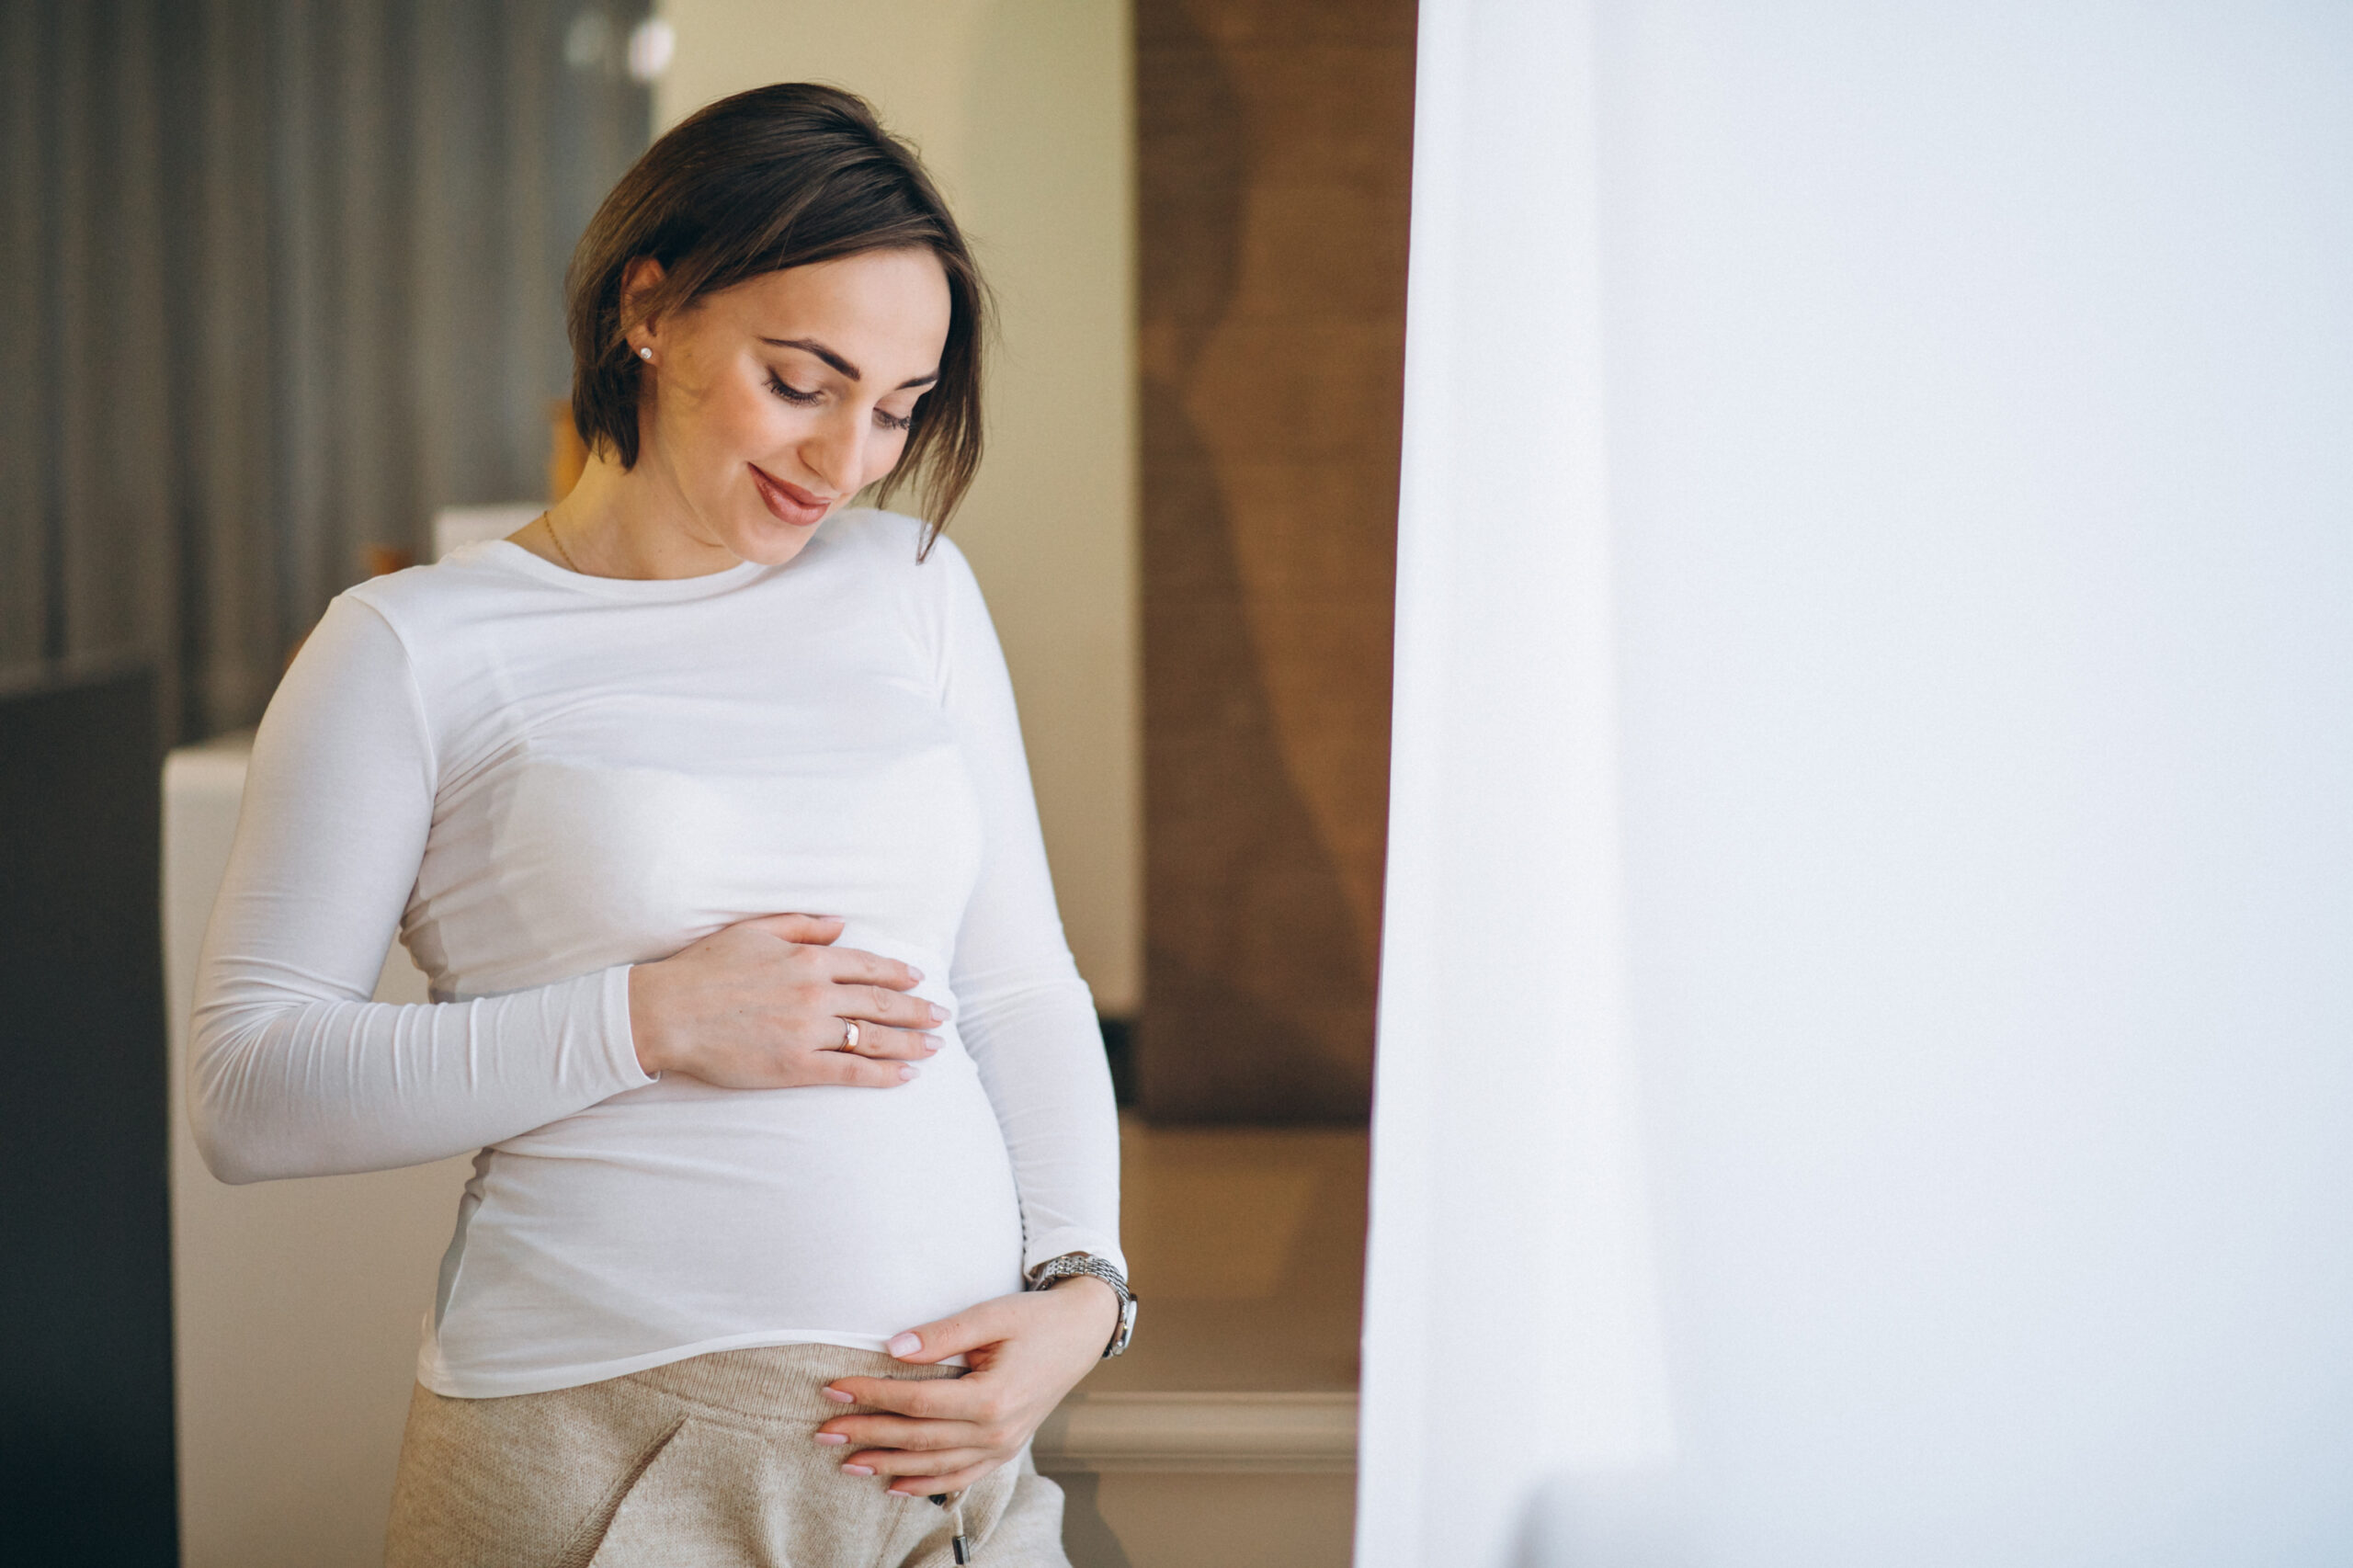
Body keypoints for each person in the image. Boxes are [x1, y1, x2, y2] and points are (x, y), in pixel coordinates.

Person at [188, 83, 1133, 1567]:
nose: (847, 463)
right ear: (653, 305)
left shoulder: (914, 587)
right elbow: (250, 1088)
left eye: (896, 409)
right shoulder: (412, 646)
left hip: (951, 1455)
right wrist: (649, 1017)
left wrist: (1084, 1291)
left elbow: (1014, 985)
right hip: (601, 1451)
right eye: (801, 381)